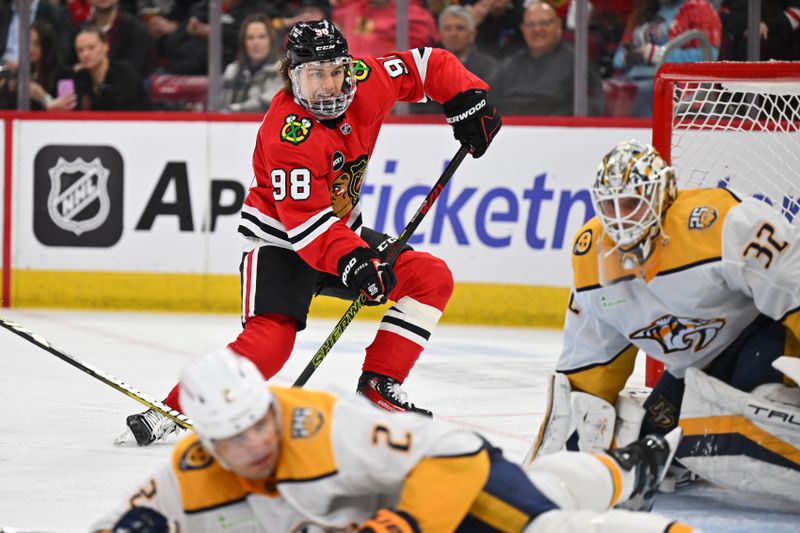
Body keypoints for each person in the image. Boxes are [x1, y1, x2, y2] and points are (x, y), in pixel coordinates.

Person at [117, 19, 502, 446]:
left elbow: (426, 64)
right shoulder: (288, 133)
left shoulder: (365, 81)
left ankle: (379, 384)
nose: (328, 86)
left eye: (335, 71)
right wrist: (355, 260)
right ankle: (173, 409)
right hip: (281, 242)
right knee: (271, 343)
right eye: (314, 75)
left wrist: (467, 96)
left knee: (430, 278)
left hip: (338, 235)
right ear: (292, 76)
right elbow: (306, 225)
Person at [93, 348, 695, 532]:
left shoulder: (331, 427)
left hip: (445, 488)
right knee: (549, 487)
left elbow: (456, 454)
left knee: (543, 528)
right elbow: (123, 520)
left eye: (260, 421)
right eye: (234, 436)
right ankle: (630, 465)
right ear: (207, 441)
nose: (253, 443)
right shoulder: (190, 471)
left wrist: (404, 526)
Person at [528, 139, 800, 502]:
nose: (620, 217)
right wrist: (562, 473)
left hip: (760, 339)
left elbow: (791, 284)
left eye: (631, 202)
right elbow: (590, 371)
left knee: (762, 423)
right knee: (645, 448)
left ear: (663, 193)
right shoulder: (591, 257)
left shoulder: (719, 222)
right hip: (692, 372)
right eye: (609, 204)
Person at [490, 0, 604, 116]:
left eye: (544, 23)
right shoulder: (509, 66)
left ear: (558, 26)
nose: (537, 29)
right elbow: (487, 103)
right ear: (523, 30)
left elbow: (593, 108)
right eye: (531, 25)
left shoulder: (578, 67)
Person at [611, 0, 721, 116]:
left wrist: (657, 54)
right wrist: (627, 57)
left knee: (645, 93)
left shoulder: (698, 6)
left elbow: (709, 56)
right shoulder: (643, 9)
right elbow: (617, 59)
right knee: (608, 90)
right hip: (633, 83)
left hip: (677, 90)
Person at [0, 20, 75, 110]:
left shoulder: (64, 73)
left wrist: (43, 98)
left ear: (46, 46)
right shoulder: (21, 72)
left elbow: (67, 107)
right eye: (28, 43)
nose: (31, 49)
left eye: (37, 44)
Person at [73, 25, 149, 110]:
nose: (85, 54)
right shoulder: (80, 78)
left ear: (105, 46)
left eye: (91, 48)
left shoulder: (125, 73)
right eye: (80, 50)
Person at [220, 13, 283, 113]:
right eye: (250, 38)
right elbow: (221, 106)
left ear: (271, 40)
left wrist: (235, 109)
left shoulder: (282, 70)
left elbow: (268, 103)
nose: (256, 43)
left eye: (262, 37)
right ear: (243, 42)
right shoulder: (232, 70)